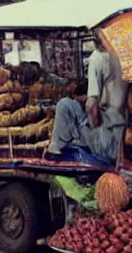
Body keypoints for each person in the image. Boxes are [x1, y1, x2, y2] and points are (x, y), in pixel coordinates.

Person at [47, 33, 127, 162]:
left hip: (104, 140)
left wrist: (94, 128)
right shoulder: (125, 59)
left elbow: (91, 106)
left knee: (65, 104)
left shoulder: (97, 57)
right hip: (121, 136)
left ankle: (55, 149)